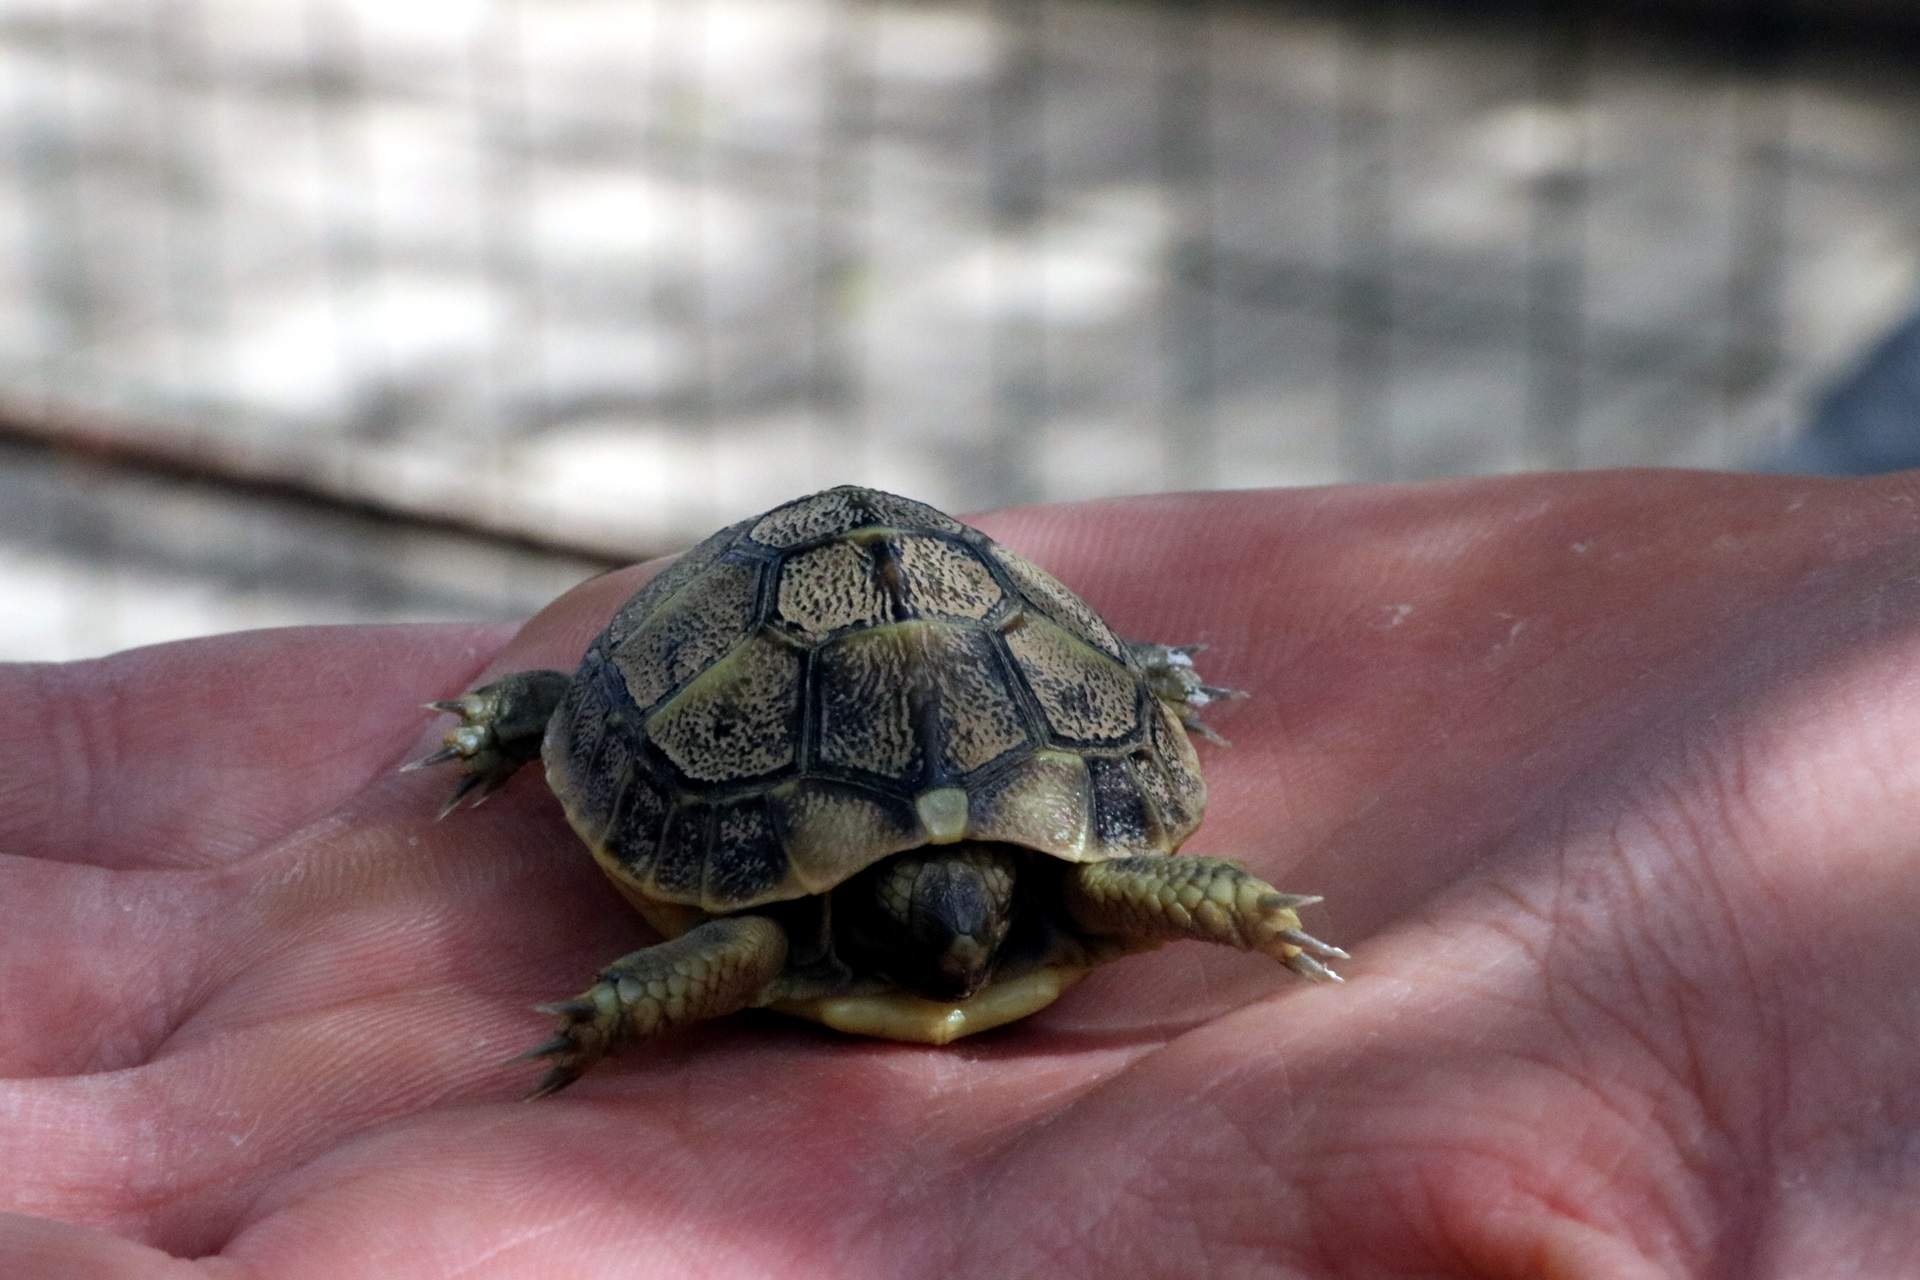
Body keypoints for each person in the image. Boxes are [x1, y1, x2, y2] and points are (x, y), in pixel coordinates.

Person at [3, 470, 1915, 1278]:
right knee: (582, 725)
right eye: (961, 916)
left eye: (988, 907)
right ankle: (531, 710)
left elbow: (1115, 888)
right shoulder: (825, 927)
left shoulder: (1014, 901)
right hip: (736, 686)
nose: (966, 928)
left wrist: (1244, 910)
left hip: (990, 753)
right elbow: (746, 954)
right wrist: (612, 1015)